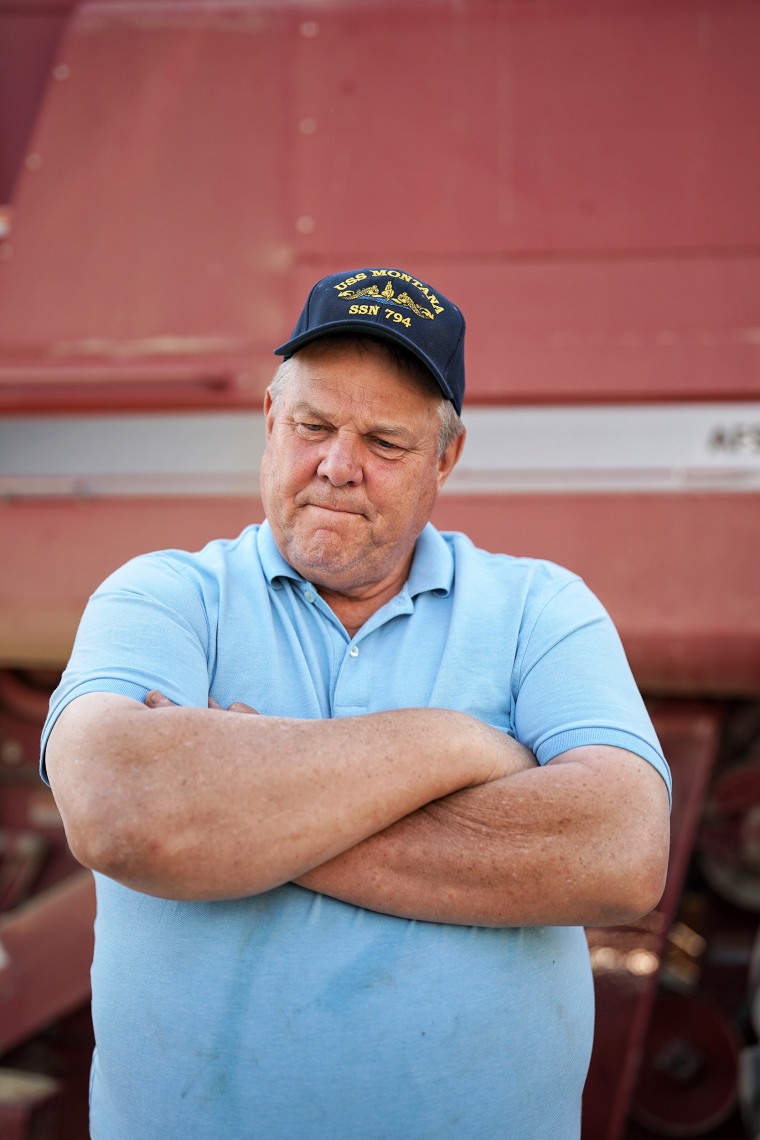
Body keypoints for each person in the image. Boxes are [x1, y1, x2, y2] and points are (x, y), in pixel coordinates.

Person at [42, 266, 671, 1139]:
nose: (337, 467)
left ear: (446, 458)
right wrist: (458, 745)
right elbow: (123, 812)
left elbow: (620, 853)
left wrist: (240, 815)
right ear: (269, 422)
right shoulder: (163, 596)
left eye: (385, 441)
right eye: (312, 426)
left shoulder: (542, 609)